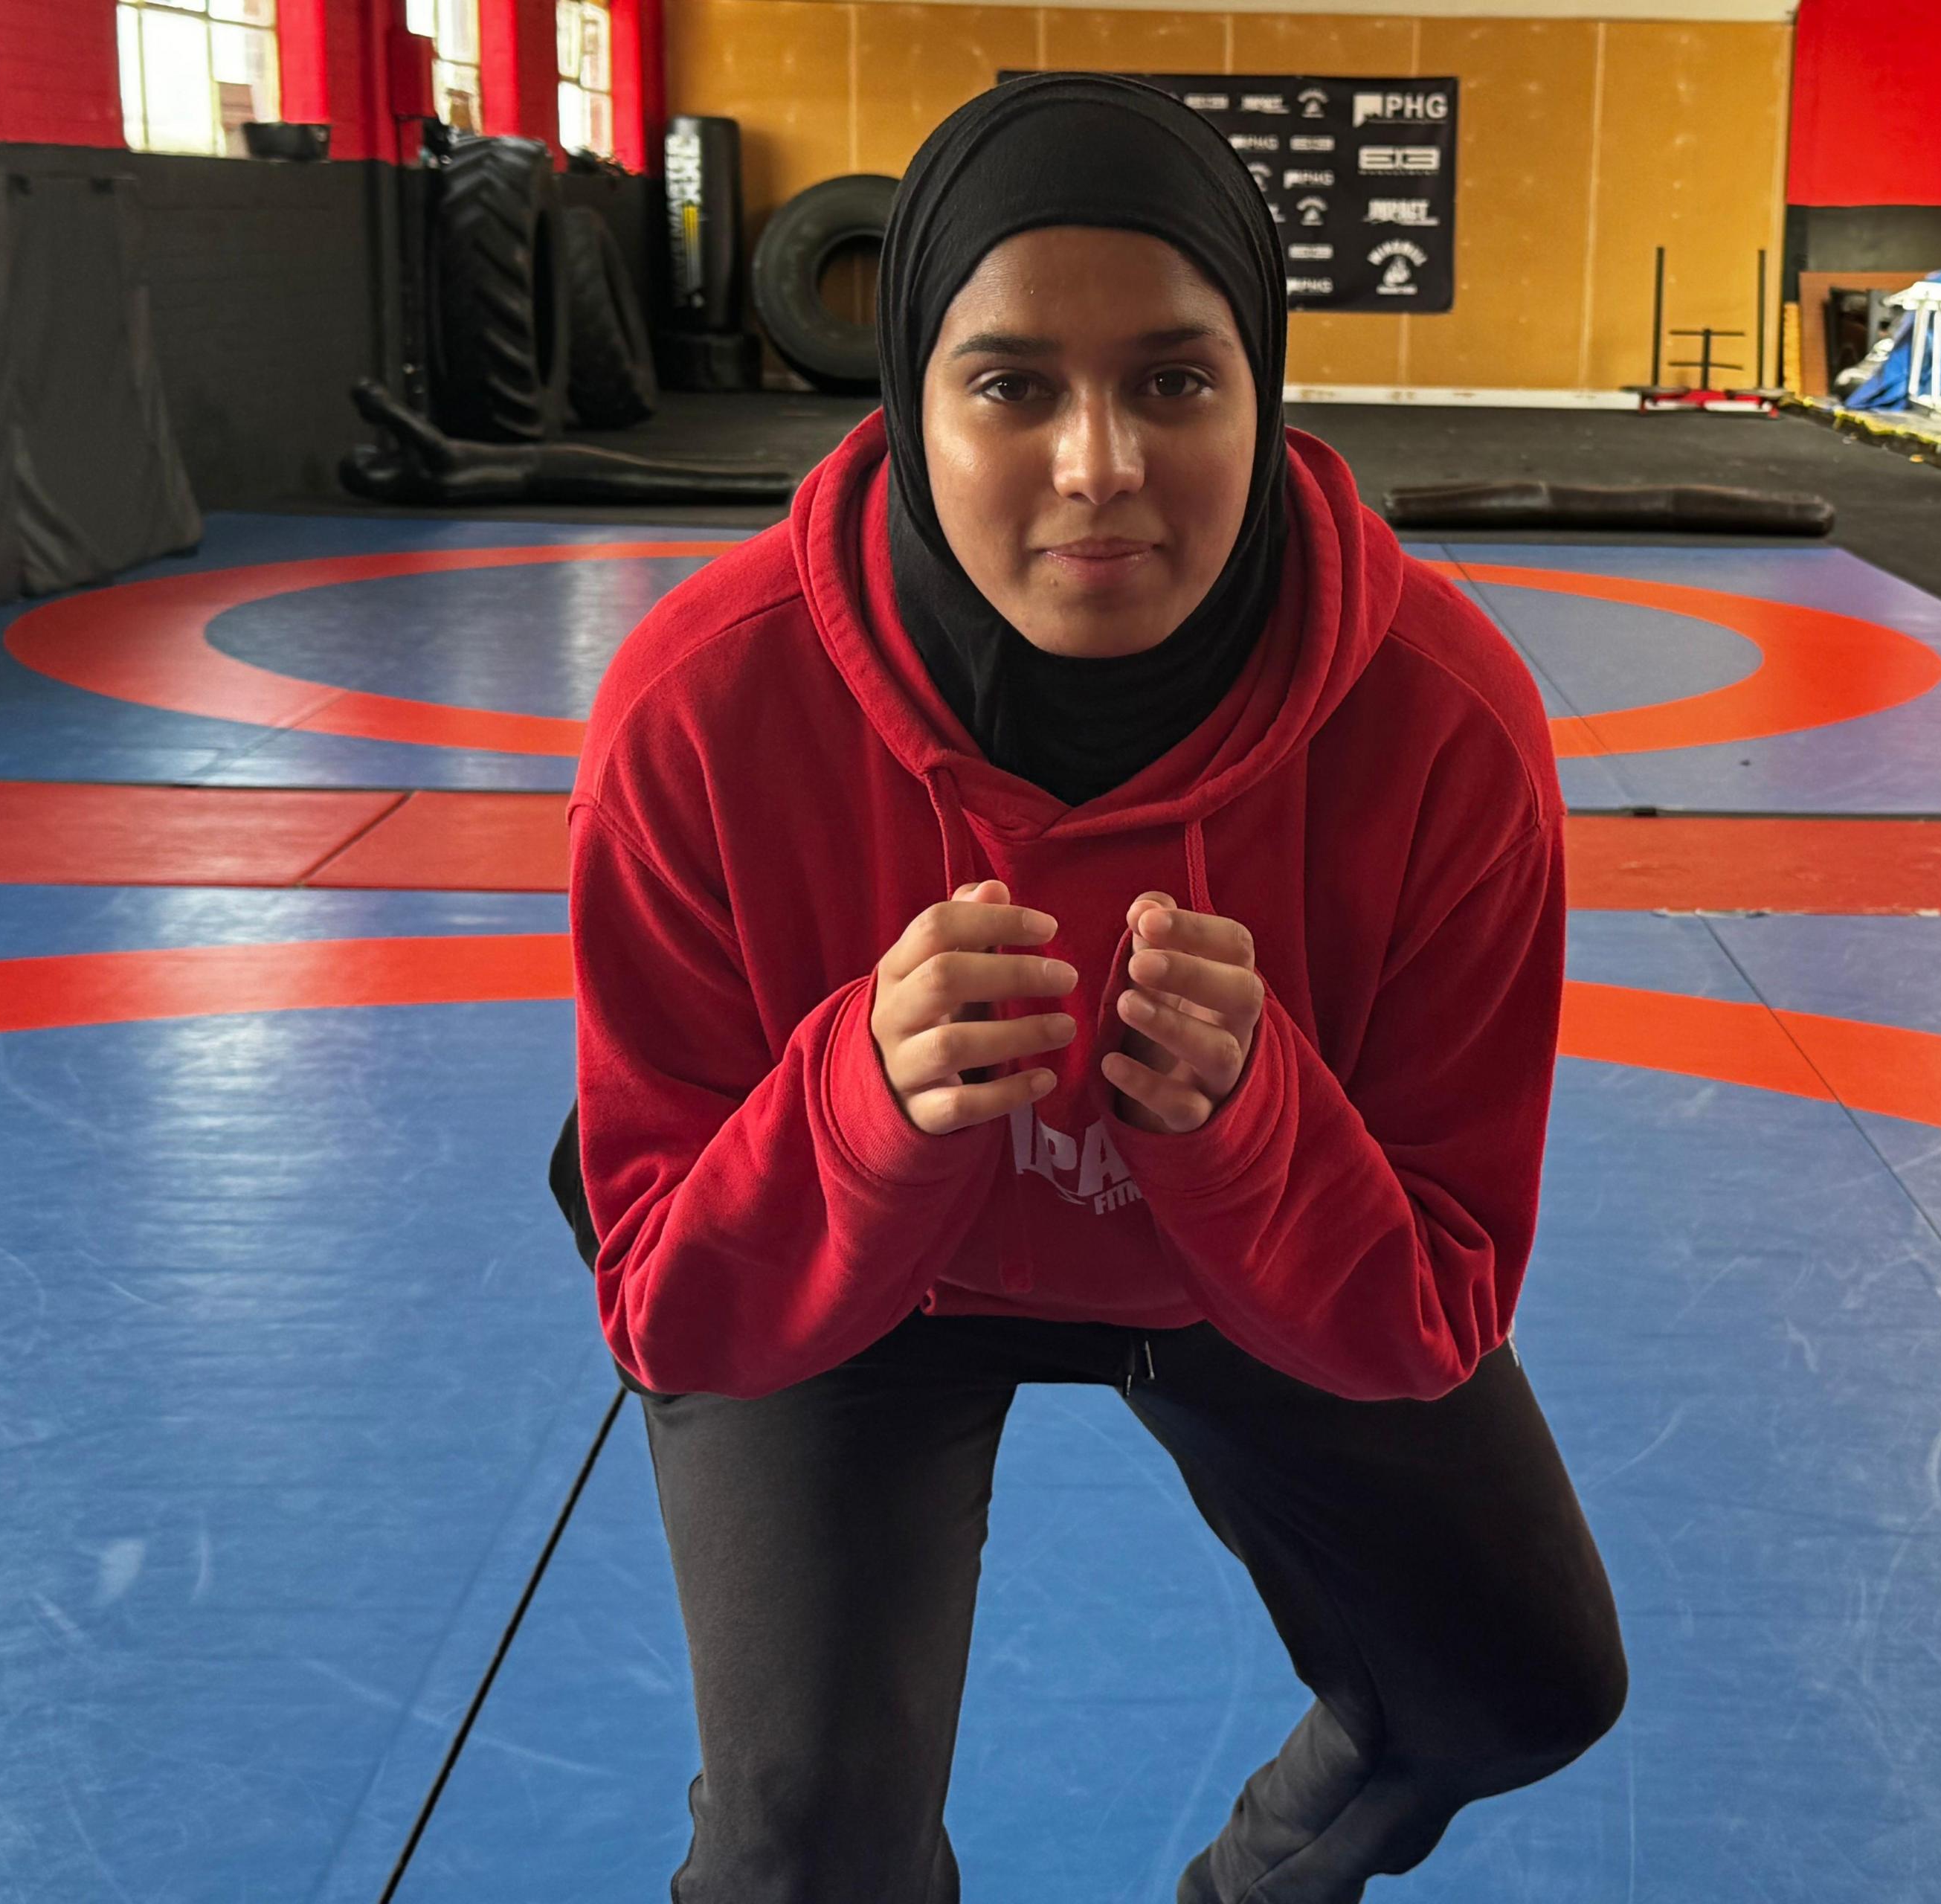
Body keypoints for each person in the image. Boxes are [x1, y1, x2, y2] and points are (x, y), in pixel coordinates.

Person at [563, 72, 1626, 1904]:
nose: (1099, 466)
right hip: (848, 1267)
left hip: (1257, 1256)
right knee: (797, 1848)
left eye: (1172, 379)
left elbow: (1434, 1299)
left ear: (1263, 383)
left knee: (1514, 1683)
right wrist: (861, 1108)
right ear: (906, 396)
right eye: (1012, 385)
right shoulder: (701, 708)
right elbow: (672, 1305)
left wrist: (1251, 1122)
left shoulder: (1444, 727)